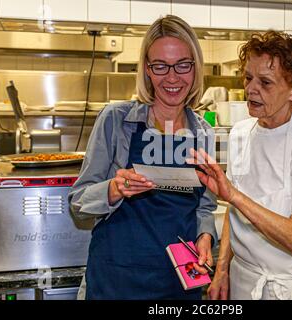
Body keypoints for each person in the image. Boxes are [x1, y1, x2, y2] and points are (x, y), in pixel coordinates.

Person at [68, 15, 217, 300]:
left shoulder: (203, 132)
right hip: (116, 281)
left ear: (195, 67)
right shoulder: (116, 120)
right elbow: (79, 203)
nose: (172, 78)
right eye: (160, 66)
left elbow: (205, 208)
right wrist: (113, 189)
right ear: (147, 70)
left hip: (178, 285)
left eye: (183, 65)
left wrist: (205, 237)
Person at [188, 30, 292, 300]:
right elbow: (234, 214)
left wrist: (232, 194)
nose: (250, 89)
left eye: (265, 83)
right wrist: (222, 269)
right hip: (245, 279)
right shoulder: (240, 133)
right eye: (248, 78)